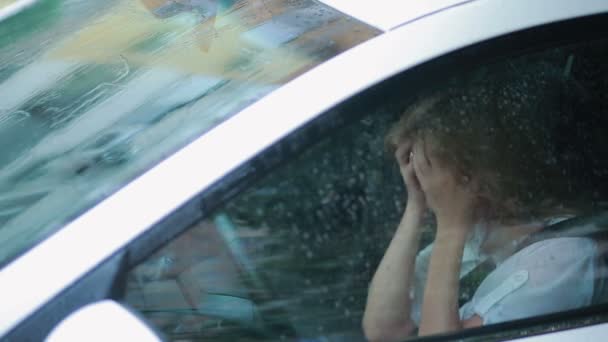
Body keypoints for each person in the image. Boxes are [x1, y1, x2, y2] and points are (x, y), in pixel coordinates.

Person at [362, 60, 608, 341]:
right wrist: (415, 205)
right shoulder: (482, 236)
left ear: (471, 174)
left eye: (429, 167)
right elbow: (383, 330)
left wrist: (450, 226)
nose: (425, 180)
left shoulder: (563, 258)